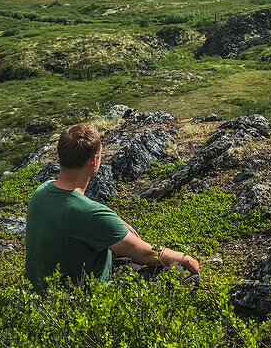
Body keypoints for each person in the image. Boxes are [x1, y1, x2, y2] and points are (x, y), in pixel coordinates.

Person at [24, 122, 199, 292]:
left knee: (116, 250)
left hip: (36, 295)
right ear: (94, 160)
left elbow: (75, 211)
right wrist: (185, 258)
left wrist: (115, 221)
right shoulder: (93, 216)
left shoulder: (42, 190)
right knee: (174, 271)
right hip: (78, 304)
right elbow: (144, 254)